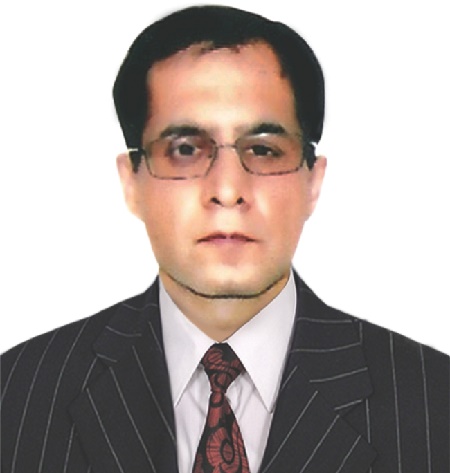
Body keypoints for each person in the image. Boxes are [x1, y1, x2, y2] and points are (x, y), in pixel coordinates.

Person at [1, 5, 448, 473]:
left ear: (313, 182)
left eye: (264, 150)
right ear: (131, 181)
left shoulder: (433, 405)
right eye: (185, 150)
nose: (229, 190)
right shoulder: (17, 397)